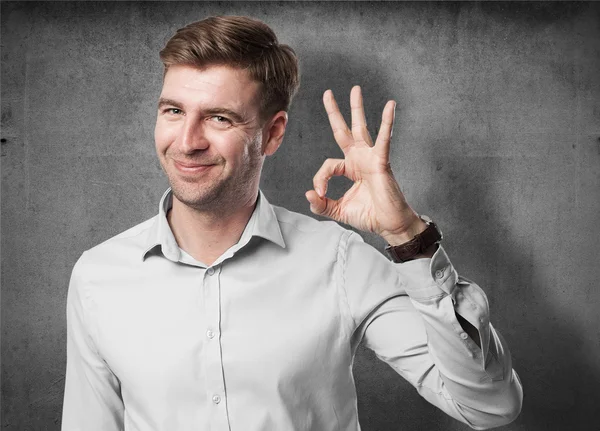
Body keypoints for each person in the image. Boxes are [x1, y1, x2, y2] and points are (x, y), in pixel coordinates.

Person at [62, 15, 522, 431]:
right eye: (173, 111)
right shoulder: (98, 276)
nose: (187, 142)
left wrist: (407, 236)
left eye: (219, 118)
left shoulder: (339, 262)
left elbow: (489, 407)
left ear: (274, 132)